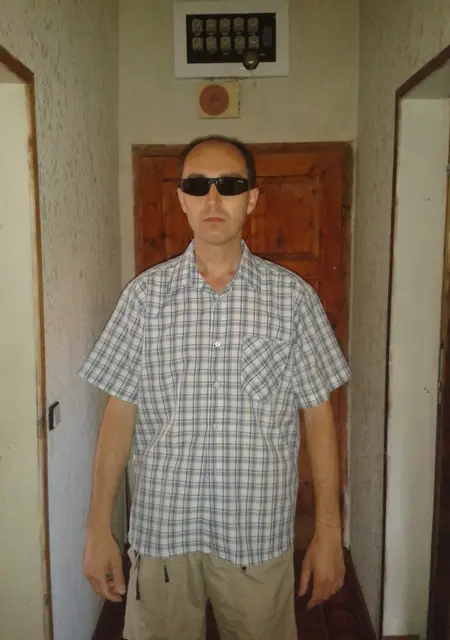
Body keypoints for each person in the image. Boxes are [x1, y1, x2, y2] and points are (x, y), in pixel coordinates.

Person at [80, 135, 351, 640]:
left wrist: (329, 532)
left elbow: (319, 416)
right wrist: (98, 528)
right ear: (181, 199)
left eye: (229, 185)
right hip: (163, 532)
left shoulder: (293, 300)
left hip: (256, 535)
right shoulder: (144, 300)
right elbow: (119, 415)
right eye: (197, 185)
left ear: (251, 198)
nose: (212, 198)